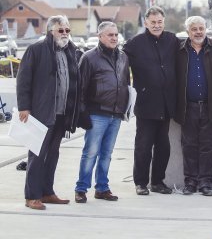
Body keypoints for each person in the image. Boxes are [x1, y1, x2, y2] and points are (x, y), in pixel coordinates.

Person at [16, 15, 80, 210]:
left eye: (67, 30)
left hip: (62, 113)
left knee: (53, 154)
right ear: (50, 31)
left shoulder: (71, 51)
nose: (65, 34)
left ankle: (46, 192)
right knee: (37, 154)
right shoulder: (36, 50)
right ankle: (32, 196)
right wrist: (24, 107)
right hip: (41, 112)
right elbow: (23, 79)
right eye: (61, 30)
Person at [123, 6, 179, 196]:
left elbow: (192, 46)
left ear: (164, 22)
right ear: (146, 23)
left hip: (166, 103)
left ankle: (157, 181)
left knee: (164, 146)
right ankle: (140, 182)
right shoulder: (135, 43)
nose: (156, 25)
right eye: (153, 22)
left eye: (159, 22)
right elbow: (119, 59)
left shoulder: (172, 40)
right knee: (143, 146)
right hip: (146, 103)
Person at [74, 21, 129, 203]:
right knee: (90, 152)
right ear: (100, 36)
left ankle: (102, 188)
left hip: (116, 114)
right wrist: (82, 113)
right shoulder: (89, 58)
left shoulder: (122, 57)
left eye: (116, 34)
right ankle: (81, 188)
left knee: (107, 153)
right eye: (110, 35)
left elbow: (124, 83)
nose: (114, 38)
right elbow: (81, 88)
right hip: (97, 113)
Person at [175, 16, 212, 196]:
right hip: (187, 106)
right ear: (188, 32)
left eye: (201, 28)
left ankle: (205, 182)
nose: (198, 32)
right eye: (194, 29)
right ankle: (190, 182)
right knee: (188, 145)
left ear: (206, 29)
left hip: (210, 106)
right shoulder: (179, 50)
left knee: (208, 145)